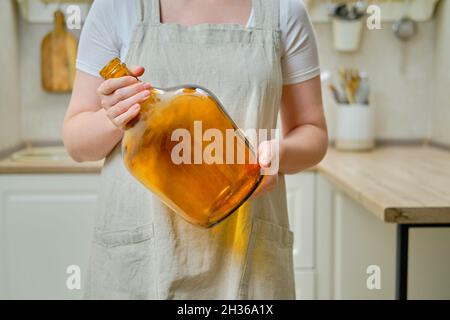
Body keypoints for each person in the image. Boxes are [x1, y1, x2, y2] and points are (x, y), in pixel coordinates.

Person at [63, 0, 328, 299]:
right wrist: (119, 115)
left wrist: (276, 155)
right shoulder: (116, 7)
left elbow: (313, 131)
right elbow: (76, 142)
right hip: (141, 258)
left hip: (247, 249)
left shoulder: (284, 11)